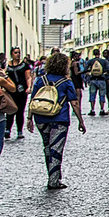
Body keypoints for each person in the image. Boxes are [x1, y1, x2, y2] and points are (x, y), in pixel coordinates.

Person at [29, 51, 85, 189]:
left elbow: (33, 100)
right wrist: (80, 121)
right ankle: (53, 180)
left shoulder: (40, 80)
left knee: (47, 147)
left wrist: (29, 118)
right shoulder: (66, 82)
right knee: (56, 149)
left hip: (40, 118)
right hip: (59, 119)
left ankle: (53, 174)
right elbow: (74, 103)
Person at [4, 47, 32, 139]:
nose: (18, 54)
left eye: (19, 52)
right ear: (12, 54)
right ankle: (8, 129)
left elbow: (28, 77)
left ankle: (19, 131)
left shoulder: (24, 65)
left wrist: (29, 87)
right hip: (10, 91)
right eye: (15, 53)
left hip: (21, 91)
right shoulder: (7, 65)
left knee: (20, 111)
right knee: (10, 110)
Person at [83, 47, 109, 116]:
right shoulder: (104, 61)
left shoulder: (90, 61)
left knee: (92, 95)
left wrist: (89, 74)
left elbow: (85, 69)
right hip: (102, 80)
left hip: (93, 80)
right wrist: (105, 75)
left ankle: (92, 110)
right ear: (99, 53)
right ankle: (102, 109)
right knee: (102, 95)